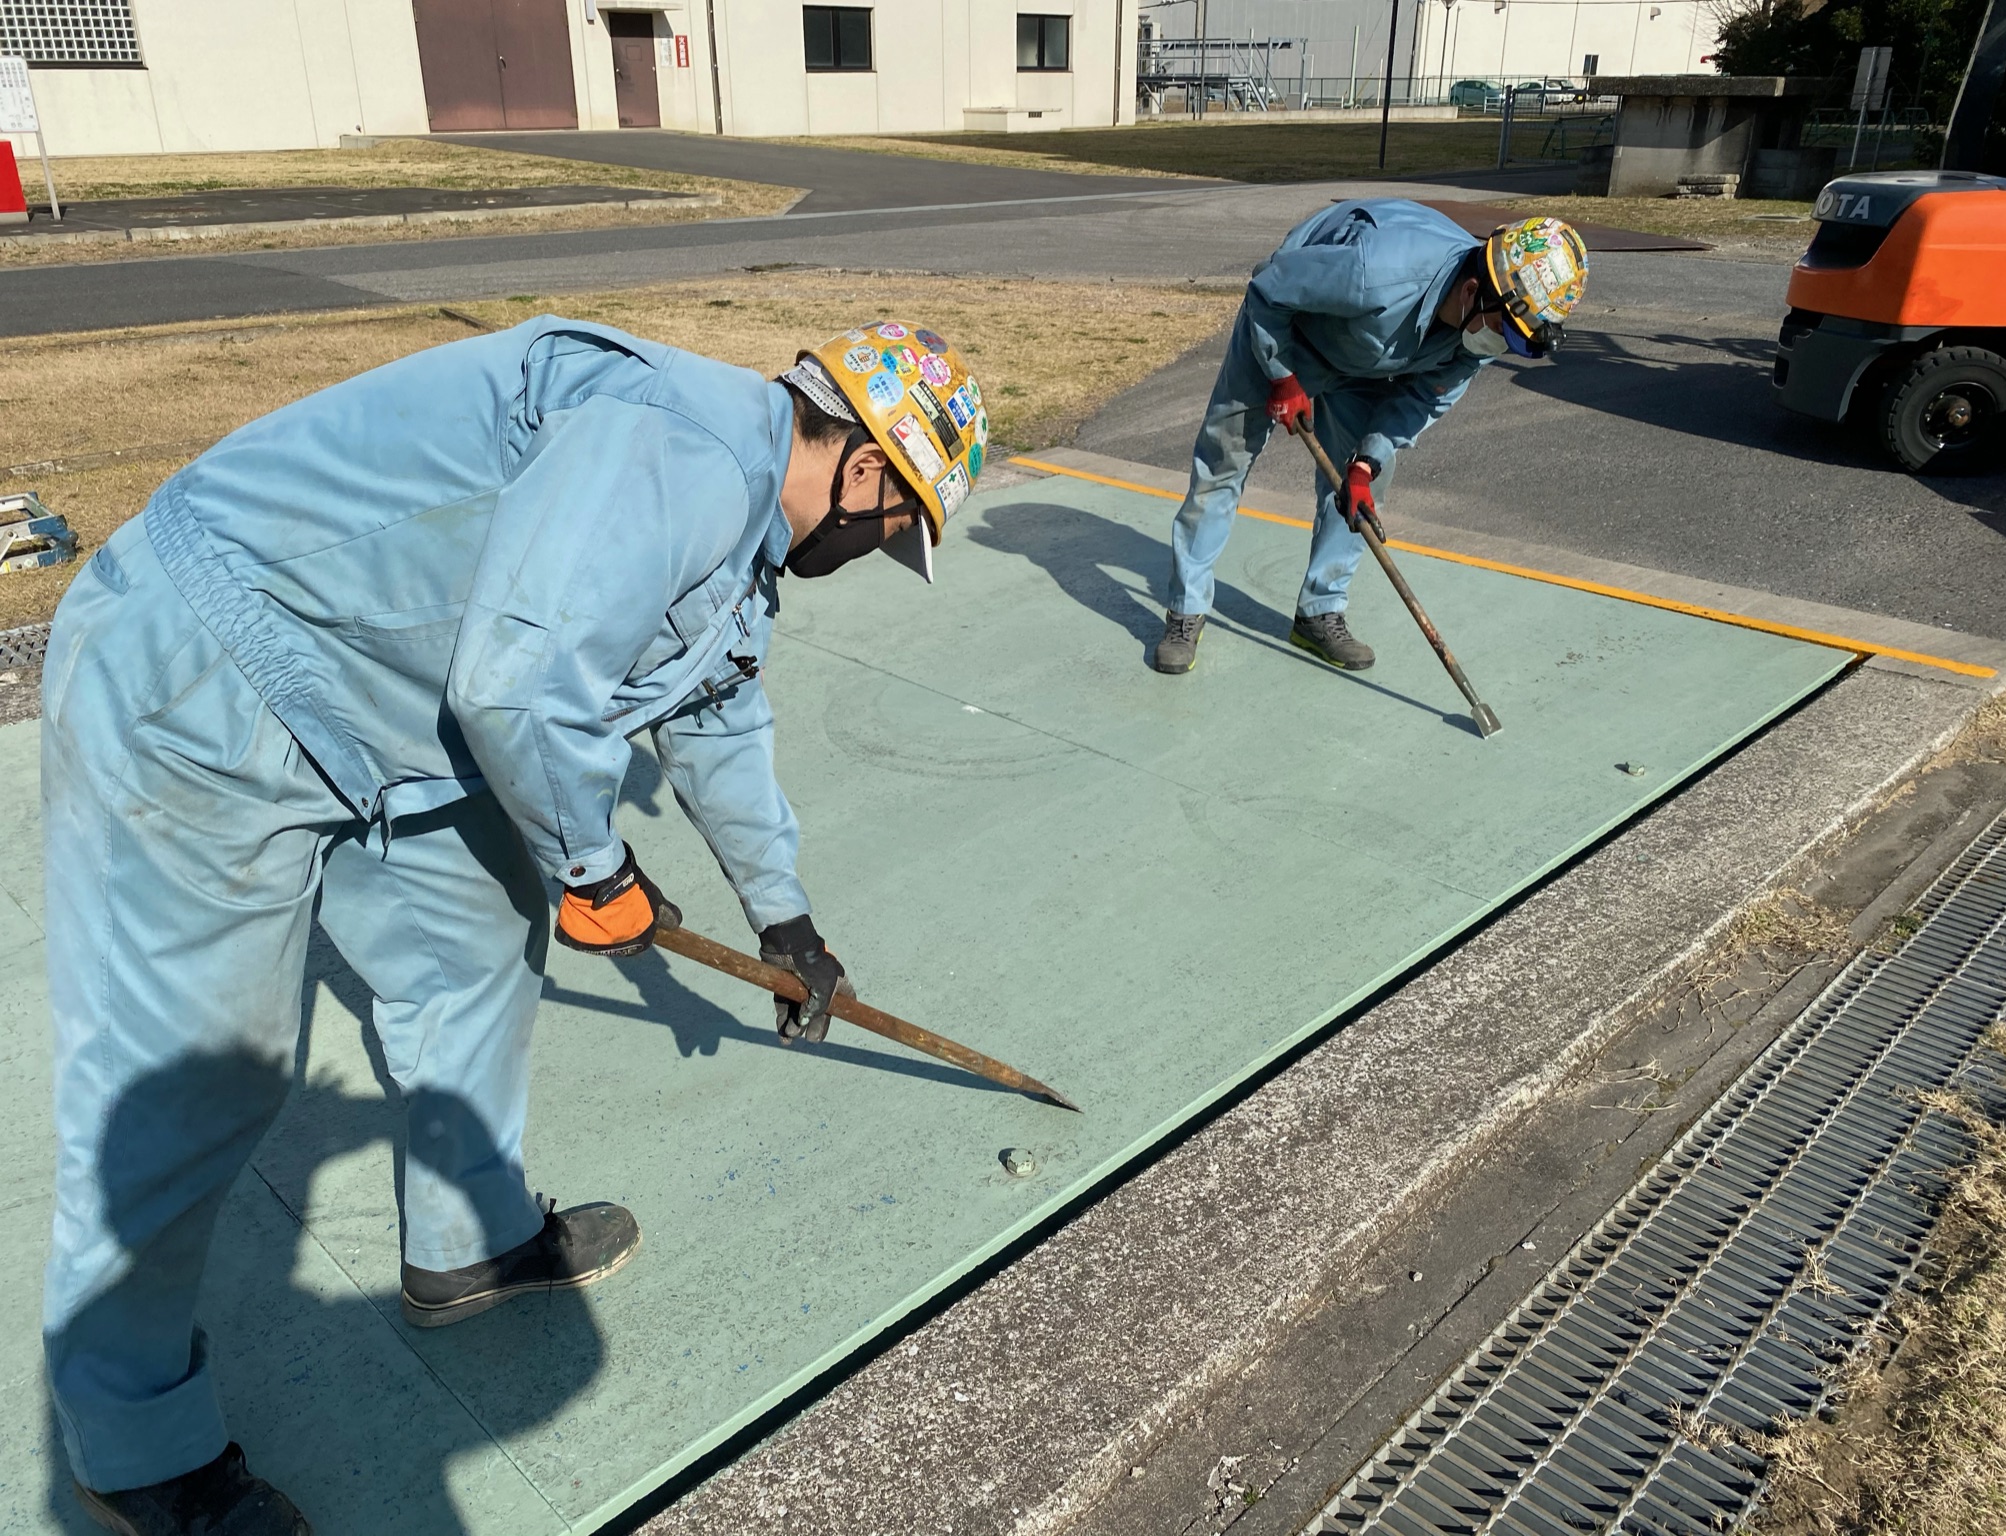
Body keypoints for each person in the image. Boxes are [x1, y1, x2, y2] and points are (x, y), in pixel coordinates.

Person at [39, 315, 987, 1535]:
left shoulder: (741, 533)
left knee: (478, 949)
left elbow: (714, 714)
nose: (879, 549)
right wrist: (595, 871)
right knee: (191, 1081)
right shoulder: (682, 450)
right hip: (199, 669)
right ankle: (133, 1446)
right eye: (897, 526)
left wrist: (784, 918)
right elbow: (520, 683)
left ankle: (466, 1245)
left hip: (378, 722)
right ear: (865, 467)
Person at [1152, 204, 1587, 675]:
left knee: (1365, 485)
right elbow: (1268, 289)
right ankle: (1186, 610)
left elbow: (1423, 397)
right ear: (1471, 292)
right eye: (1511, 333)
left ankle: (1319, 612)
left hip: (1368, 360)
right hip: (1288, 330)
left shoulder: (1482, 330)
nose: (1507, 347)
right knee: (1223, 463)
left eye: (1523, 344)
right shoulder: (1375, 272)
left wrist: (1365, 464)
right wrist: (1282, 376)